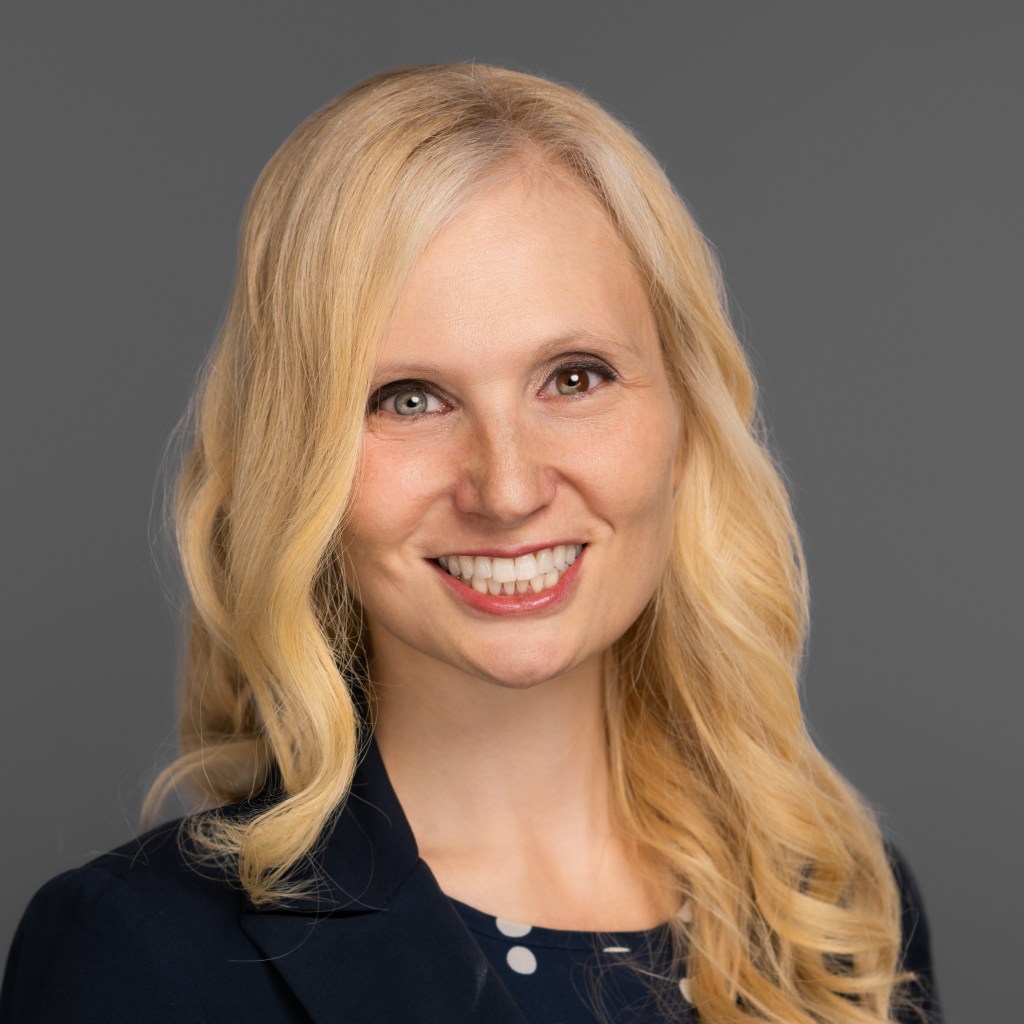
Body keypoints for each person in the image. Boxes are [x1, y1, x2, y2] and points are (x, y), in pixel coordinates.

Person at [0, 63, 940, 1023]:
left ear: (684, 422)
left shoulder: (838, 916)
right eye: (408, 398)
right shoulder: (138, 957)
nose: (508, 487)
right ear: (296, 461)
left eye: (574, 379)